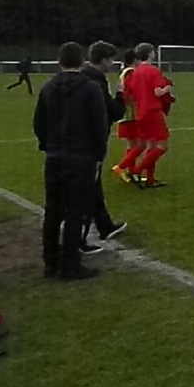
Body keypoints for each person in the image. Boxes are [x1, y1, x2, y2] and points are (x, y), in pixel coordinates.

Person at [33, 42, 107, 281]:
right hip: (81, 158)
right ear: (82, 61)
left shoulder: (47, 88)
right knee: (75, 211)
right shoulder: (91, 89)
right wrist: (98, 156)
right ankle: (70, 265)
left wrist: (48, 145)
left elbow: (39, 123)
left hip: (55, 157)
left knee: (52, 211)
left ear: (59, 61)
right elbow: (99, 127)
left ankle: (50, 262)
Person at [79, 41, 129, 253]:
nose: (112, 64)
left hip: (77, 141)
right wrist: (120, 95)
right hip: (89, 144)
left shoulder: (83, 76)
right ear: (104, 60)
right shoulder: (96, 83)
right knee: (88, 189)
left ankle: (104, 226)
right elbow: (114, 112)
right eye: (111, 60)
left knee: (92, 187)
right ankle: (80, 239)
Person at [125, 43, 173, 188]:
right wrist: (167, 88)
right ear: (150, 53)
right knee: (162, 146)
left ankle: (150, 179)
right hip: (153, 111)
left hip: (140, 112)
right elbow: (158, 92)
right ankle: (137, 171)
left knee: (151, 145)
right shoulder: (153, 70)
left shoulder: (136, 72)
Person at [111, 50, 144, 183]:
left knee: (132, 144)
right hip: (131, 114)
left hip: (127, 113)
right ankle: (121, 167)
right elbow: (131, 92)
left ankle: (132, 172)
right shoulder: (130, 73)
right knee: (139, 144)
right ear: (135, 60)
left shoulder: (125, 72)